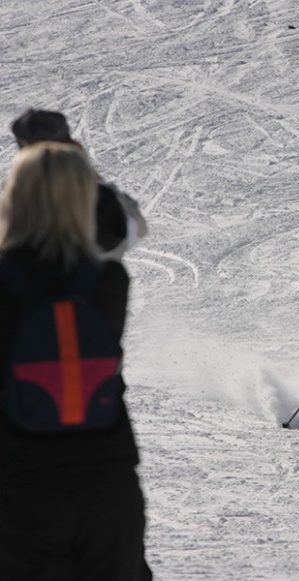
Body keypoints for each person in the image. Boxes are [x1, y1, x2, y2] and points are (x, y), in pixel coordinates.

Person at [0, 143, 147, 579]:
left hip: (18, 487)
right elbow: (125, 225)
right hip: (108, 485)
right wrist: (74, 162)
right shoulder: (108, 282)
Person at [11, 108, 148, 261]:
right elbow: (136, 230)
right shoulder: (100, 198)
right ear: (74, 146)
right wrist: (89, 174)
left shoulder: (13, 202)